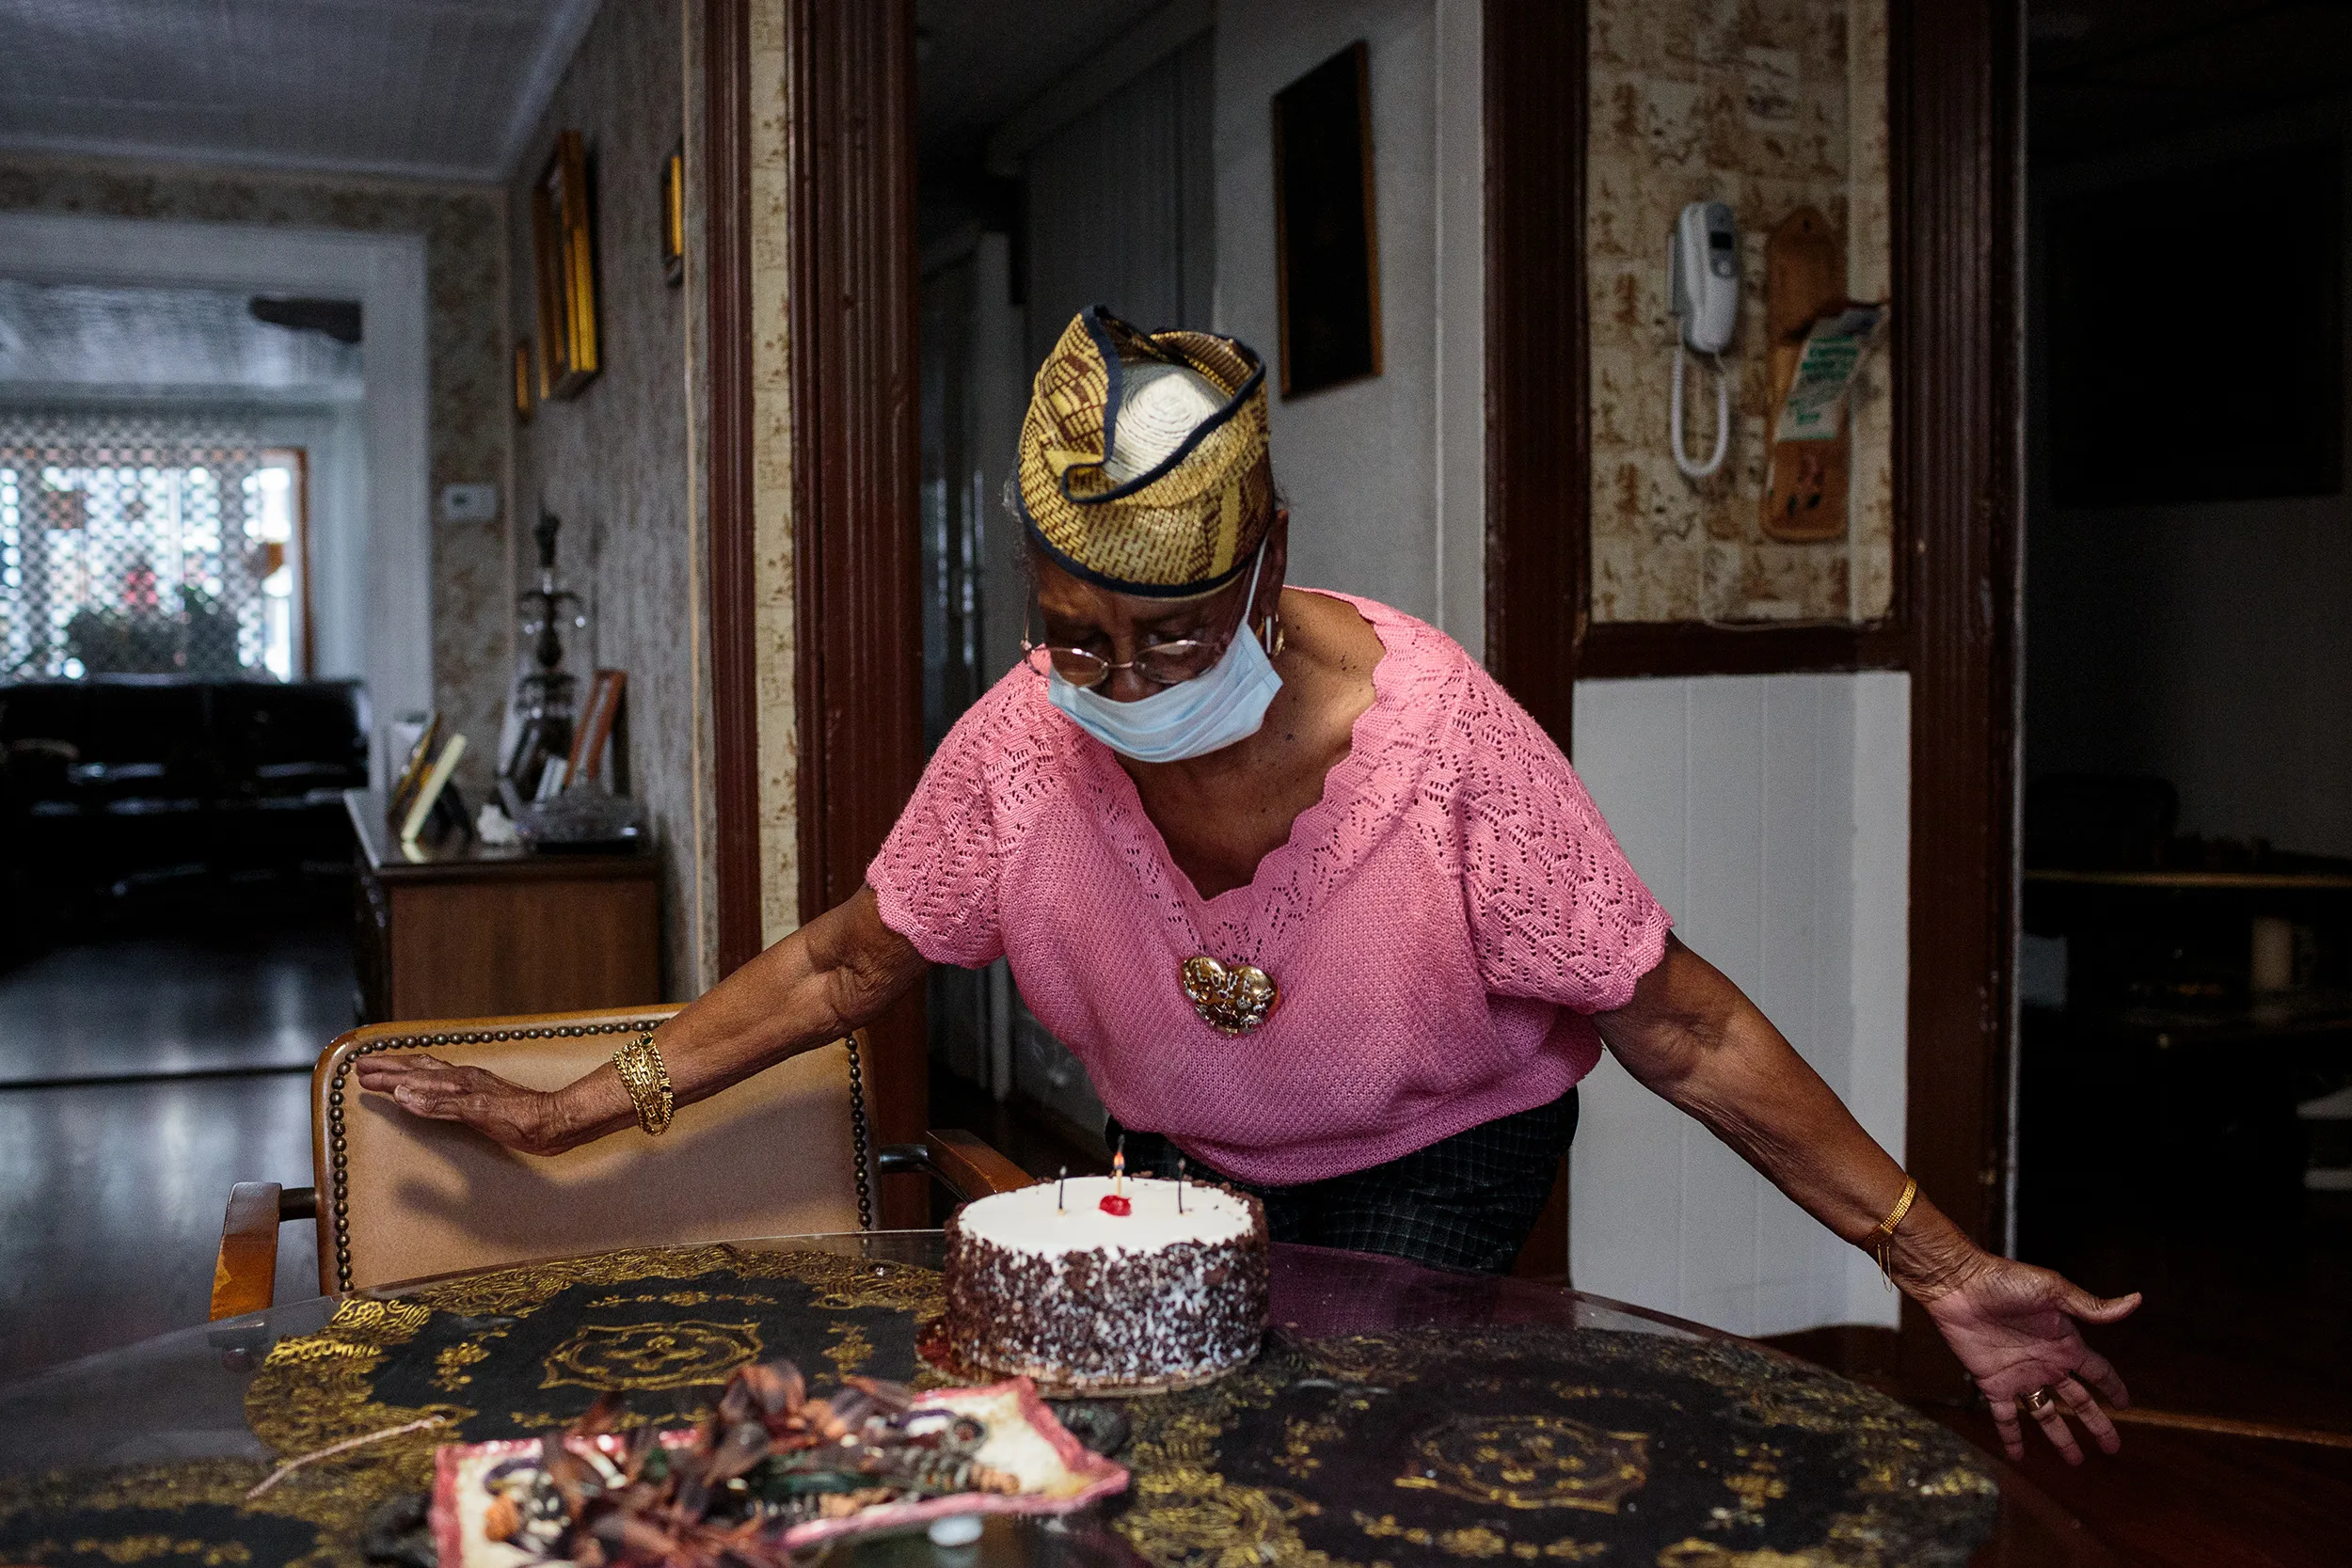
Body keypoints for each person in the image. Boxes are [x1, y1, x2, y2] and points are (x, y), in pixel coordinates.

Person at [360, 308, 2137, 1465]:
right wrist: (576, 1108)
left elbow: (1675, 1021)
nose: (1124, 683)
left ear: (1270, 559)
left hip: (1440, 1153)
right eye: (1077, 635)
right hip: (1179, 1156)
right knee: (1143, 1455)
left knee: (1343, 1440)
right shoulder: (1016, 749)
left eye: (1174, 631)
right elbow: (844, 963)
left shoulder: (1443, 749)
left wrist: (1940, 1261)